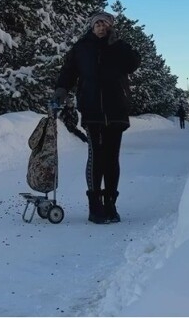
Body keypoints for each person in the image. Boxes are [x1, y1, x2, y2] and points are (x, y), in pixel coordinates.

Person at [53, 11, 141, 224]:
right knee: (96, 156)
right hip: (92, 108)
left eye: (105, 24)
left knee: (112, 157)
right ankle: (95, 206)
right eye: (97, 24)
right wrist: (60, 91)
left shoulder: (119, 46)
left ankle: (111, 203)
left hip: (116, 109)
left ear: (111, 26)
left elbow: (134, 63)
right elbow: (68, 71)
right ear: (92, 27)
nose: (101, 27)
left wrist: (118, 44)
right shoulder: (82, 47)